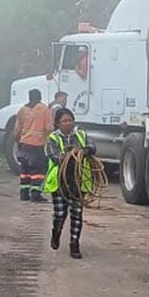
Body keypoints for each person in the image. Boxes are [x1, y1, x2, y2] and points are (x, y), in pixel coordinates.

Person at [44, 108, 96, 259]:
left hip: (78, 181)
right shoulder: (52, 138)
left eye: (70, 120)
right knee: (60, 214)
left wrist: (86, 150)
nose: (68, 123)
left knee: (77, 214)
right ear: (58, 123)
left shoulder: (81, 135)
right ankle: (56, 232)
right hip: (61, 182)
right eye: (64, 121)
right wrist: (72, 154)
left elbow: (93, 147)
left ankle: (74, 244)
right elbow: (54, 156)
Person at [14, 89, 51, 202]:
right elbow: (49, 128)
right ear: (39, 97)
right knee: (38, 171)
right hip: (37, 145)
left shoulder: (22, 110)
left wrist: (19, 143)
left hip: (24, 144)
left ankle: (24, 194)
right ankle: (36, 194)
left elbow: (16, 130)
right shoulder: (44, 109)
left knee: (25, 170)